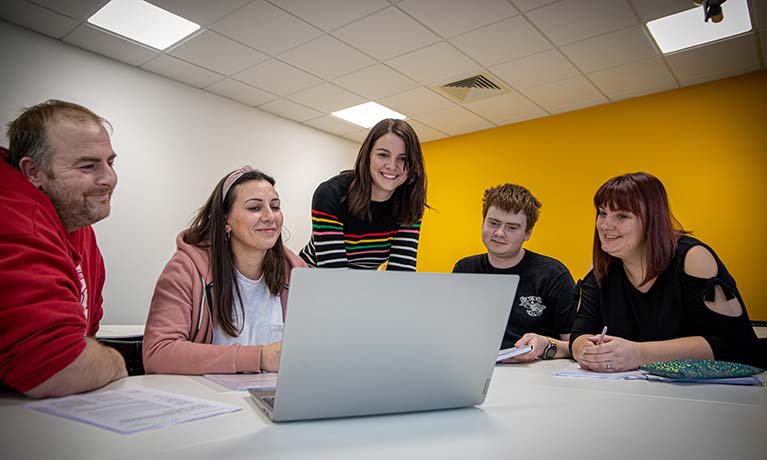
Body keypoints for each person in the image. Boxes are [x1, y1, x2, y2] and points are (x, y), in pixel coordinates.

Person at [571, 172, 766, 372]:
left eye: (622, 216)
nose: (605, 225)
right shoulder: (601, 267)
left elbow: (735, 345)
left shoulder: (693, 259)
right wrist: (586, 351)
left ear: (652, 220)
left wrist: (639, 354)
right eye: (602, 213)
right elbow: (579, 334)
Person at [0, 100, 126, 398]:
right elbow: (58, 368)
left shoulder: (80, 226)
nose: (110, 178)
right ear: (33, 172)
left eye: (110, 162)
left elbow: (87, 332)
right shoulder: (12, 216)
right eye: (88, 166)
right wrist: (119, 361)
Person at [143, 166, 306, 374]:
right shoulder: (187, 269)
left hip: (274, 397)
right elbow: (158, 353)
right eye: (254, 208)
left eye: (275, 207)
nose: (269, 216)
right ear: (226, 220)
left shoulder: (296, 272)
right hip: (208, 398)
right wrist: (260, 357)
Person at [453, 184, 577, 362]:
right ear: (483, 222)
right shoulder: (465, 269)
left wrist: (545, 345)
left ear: (528, 233)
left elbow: (575, 345)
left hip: (535, 372)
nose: (499, 233)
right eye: (494, 223)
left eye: (512, 227)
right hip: (477, 366)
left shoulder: (552, 274)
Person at [299, 118, 427, 271]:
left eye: (403, 159)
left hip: (362, 281)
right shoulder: (331, 195)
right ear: (368, 156)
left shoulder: (410, 204)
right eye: (383, 155)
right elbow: (334, 275)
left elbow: (402, 272)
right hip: (314, 277)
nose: (392, 166)